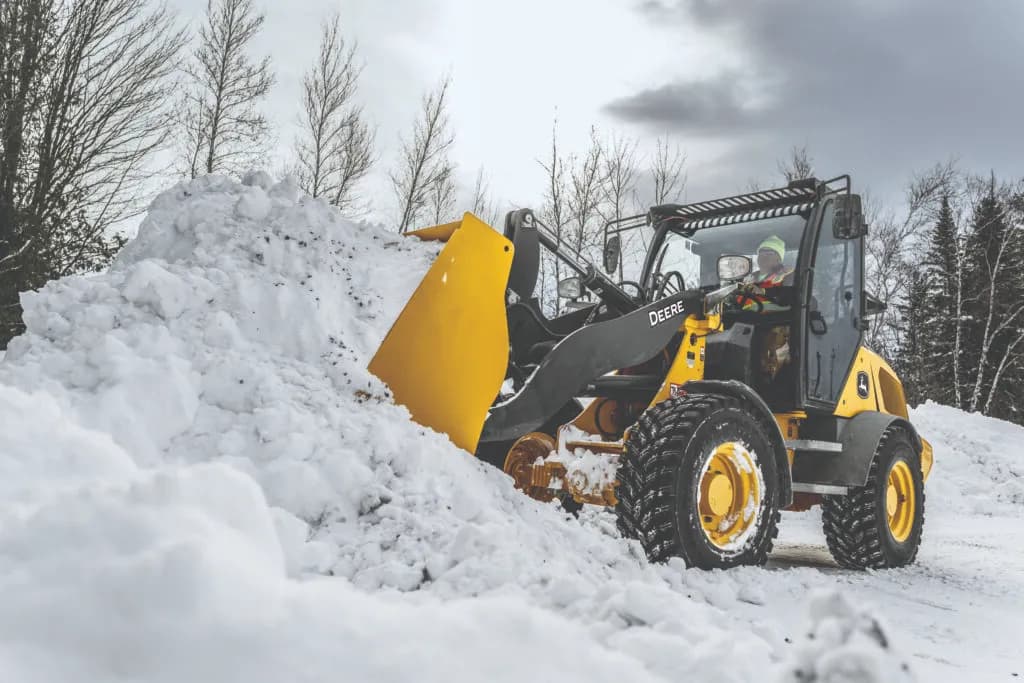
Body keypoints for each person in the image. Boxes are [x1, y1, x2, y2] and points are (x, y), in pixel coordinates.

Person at [736, 235, 795, 383]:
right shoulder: (749, 278)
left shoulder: (788, 275)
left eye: (769, 254)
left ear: (778, 258)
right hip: (749, 322)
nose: (763, 257)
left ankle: (768, 379)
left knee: (771, 345)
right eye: (761, 253)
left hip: (776, 322)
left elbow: (792, 295)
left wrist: (764, 292)